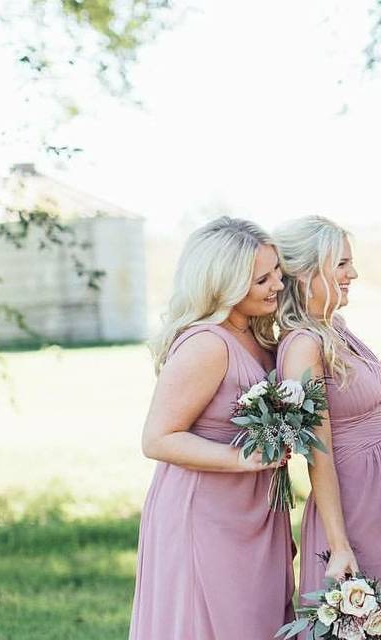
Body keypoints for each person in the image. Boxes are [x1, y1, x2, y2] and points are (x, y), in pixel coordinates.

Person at [128, 217, 294, 639]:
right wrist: (239, 458)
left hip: (256, 508)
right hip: (204, 514)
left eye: (278, 272)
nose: (277, 284)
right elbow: (157, 438)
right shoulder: (206, 343)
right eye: (262, 279)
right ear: (225, 283)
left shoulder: (259, 337)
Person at [273, 215, 381, 616]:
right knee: (366, 614)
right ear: (304, 273)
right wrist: (339, 545)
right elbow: (317, 450)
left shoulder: (333, 326)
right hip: (352, 498)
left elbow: (365, 400)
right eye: (341, 264)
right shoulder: (303, 344)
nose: (353, 273)